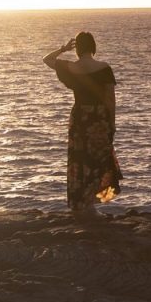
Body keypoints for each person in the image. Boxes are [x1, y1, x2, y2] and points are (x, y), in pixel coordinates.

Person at [44, 31, 122, 210]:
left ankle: (82, 204)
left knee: (80, 159)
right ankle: (94, 203)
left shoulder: (71, 67)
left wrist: (62, 49)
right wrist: (112, 122)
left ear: (77, 48)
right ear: (93, 47)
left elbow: (46, 60)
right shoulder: (104, 68)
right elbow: (110, 99)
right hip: (98, 118)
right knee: (99, 158)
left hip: (80, 116)